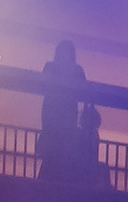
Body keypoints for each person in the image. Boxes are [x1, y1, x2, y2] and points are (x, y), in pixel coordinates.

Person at [36, 40, 96, 186]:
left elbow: (83, 91)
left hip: (63, 112)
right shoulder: (54, 67)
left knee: (61, 146)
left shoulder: (73, 70)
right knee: (54, 145)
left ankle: (48, 179)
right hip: (54, 111)